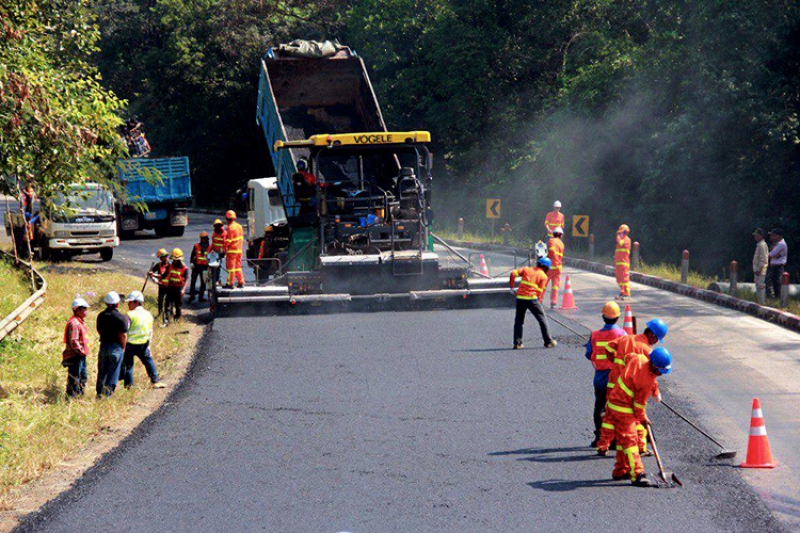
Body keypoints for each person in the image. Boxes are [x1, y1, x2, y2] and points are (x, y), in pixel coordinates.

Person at [595, 318, 668, 456]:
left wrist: (614, 360)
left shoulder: (626, 338)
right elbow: (649, 376)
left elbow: (609, 347)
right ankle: (638, 448)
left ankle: (604, 445)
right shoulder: (647, 351)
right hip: (629, 389)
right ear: (652, 335)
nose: (656, 342)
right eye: (657, 339)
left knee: (610, 417)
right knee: (633, 418)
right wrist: (656, 393)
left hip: (612, 385)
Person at [606, 346, 673, 487]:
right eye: (660, 371)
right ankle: (637, 474)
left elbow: (627, 358)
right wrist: (643, 419)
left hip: (614, 402)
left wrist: (655, 390)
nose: (661, 374)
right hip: (623, 408)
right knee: (630, 441)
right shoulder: (645, 382)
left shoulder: (638, 358)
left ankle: (621, 470)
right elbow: (638, 406)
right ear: (654, 365)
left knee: (623, 440)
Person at [584, 302, 626, 447]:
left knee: (600, 407)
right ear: (618, 317)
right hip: (617, 380)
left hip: (600, 379)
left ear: (603, 317)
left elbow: (589, 354)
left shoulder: (595, 335)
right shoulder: (622, 334)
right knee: (616, 409)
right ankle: (614, 440)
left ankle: (600, 437)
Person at [509, 257, 558, 349]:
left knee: (519, 321)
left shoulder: (526, 269)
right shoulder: (543, 276)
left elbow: (513, 273)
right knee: (542, 319)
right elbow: (539, 292)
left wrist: (511, 287)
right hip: (532, 299)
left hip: (520, 298)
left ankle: (518, 343)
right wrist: (538, 304)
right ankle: (548, 342)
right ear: (546, 267)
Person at [121, 291, 165, 389]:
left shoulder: (129, 315)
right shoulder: (148, 314)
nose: (128, 304)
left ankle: (129, 386)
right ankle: (155, 381)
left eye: (130, 302)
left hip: (130, 344)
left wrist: (122, 345)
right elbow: (151, 331)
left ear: (137, 302)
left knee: (128, 366)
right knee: (148, 361)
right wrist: (149, 345)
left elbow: (124, 330)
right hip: (144, 344)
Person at [96, 291, 128, 397]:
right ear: (117, 303)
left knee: (102, 372)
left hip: (104, 346)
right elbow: (122, 335)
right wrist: (123, 347)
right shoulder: (120, 317)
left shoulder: (100, 316)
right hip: (116, 347)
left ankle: (99, 393)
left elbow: (99, 331)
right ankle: (107, 395)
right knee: (113, 373)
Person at [62, 297, 90, 398]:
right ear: (77, 310)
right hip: (75, 356)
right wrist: (81, 351)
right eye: (84, 309)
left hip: (80, 355)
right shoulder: (74, 323)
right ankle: (71, 399)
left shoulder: (79, 322)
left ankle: (78, 397)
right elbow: (74, 340)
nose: (86, 311)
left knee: (83, 377)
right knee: (74, 378)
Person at [164, 248, 189, 323]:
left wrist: (183, 290)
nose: (173, 261)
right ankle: (167, 319)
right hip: (170, 287)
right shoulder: (170, 266)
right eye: (173, 259)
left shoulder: (185, 268)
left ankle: (177, 318)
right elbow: (164, 275)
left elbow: (187, 279)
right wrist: (154, 275)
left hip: (179, 289)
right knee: (167, 304)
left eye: (175, 259)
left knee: (178, 305)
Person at [544, 227, 565, 309]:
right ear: (561, 235)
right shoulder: (562, 244)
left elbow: (551, 251)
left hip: (551, 267)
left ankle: (539, 300)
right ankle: (554, 303)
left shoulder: (551, 241)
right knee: (555, 286)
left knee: (544, 284)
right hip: (558, 268)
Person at [223, 210, 245, 288]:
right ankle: (241, 282)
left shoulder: (230, 228)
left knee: (231, 268)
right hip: (239, 250)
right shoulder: (239, 226)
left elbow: (228, 241)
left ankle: (230, 283)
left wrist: (223, 247)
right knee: (238, 267)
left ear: (227, 218)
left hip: (232, 251)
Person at [188, 231, 210, 302]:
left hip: (204, 268)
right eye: (202, 238)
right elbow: (192, 255)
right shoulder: (196, 246)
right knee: (193, 281)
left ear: (207, 239)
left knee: (203, 283)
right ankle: (192, 296)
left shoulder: (210, 247)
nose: (202, 240)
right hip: (196, 267)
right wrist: (191, 262)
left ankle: (201, 297)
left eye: (204, 238)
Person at [148, 248, 170, 315]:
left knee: (168, 302)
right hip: (161, 286)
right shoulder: (158, 265)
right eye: (163, 257)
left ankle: (167, 314)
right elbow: (151, 272)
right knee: (160, 300)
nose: (166, 258)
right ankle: (160, 313)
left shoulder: (171, 266)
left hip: (169, 287)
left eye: (166, 256)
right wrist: (153, 278)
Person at [767, 228, 788, 299]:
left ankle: (778, 298)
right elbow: (773, 255)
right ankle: (776, 297)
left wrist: (772, 255)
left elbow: (771, 254)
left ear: (779, 236)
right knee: (774, 283)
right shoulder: (776, 244)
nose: (771, 237)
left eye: (773, 235)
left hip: (778, 267)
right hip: (775, 266)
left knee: (777, 283)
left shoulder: (781, 244)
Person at [614, 224, 632, 300]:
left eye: (622, 232)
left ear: (625, 232)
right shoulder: (620, 241)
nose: (620, 234)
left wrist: (618, 237)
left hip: (624, 263)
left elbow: (621, 243)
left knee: (624, 278)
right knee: (619, 278)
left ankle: (626, 293)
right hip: (618, 263)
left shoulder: (627, 240)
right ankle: (622, 292)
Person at [753, 228, 769, 304]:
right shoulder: (759, 245)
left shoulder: (762, 245)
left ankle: (762, 303)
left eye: (757, 236)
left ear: (762, 236)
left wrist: (759, 269)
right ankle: (760, 302)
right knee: (758, 287)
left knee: (760, 287)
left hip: (760, 270)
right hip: (758, 270)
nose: (756, 237)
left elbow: (763, 259)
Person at [210, 219, 227, 285]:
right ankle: (214, 279)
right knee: (214, 267)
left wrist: (224, 250)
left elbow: (226, 243)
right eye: (216, 226)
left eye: (219, 226)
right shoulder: (214, 234)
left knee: (219, 266)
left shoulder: (224, 234)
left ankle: (218, 280)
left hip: (221, 253)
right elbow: (213, 243)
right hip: (214, 253)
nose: (217, 227)